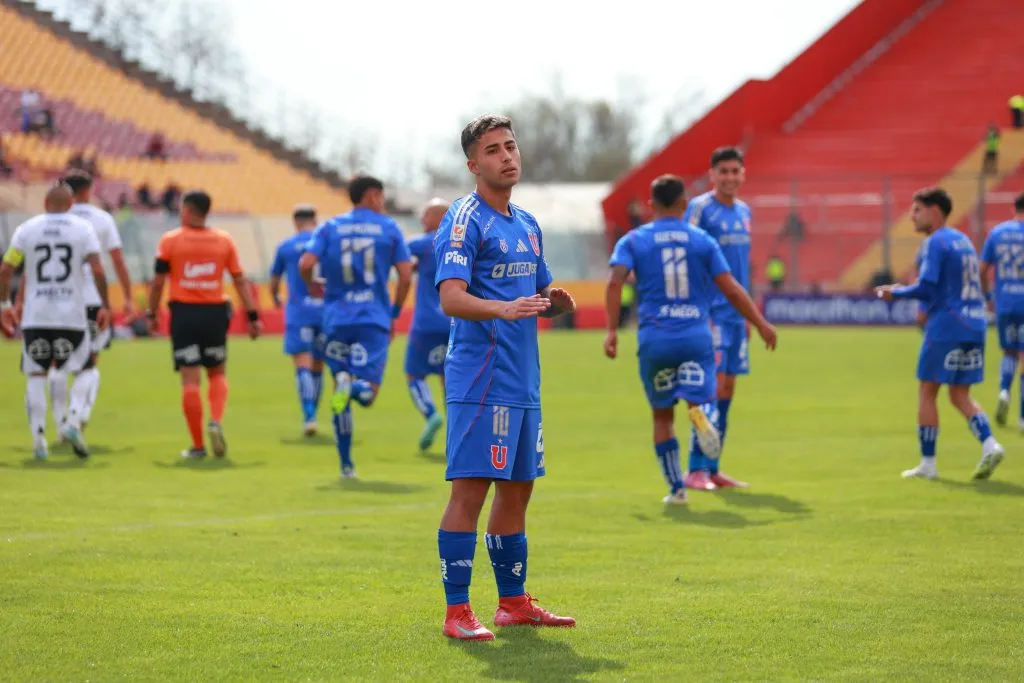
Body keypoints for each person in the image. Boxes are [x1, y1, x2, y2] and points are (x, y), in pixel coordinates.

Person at [433, 114, 577, 642]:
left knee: (518, 492)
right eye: (493, 150)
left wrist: (552, 305)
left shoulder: (527, 224)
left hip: (523, 381)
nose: (506, 156)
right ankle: (456, 612)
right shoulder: (464, 219)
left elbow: (531, 300)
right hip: (481, 380)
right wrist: (504, 308)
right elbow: (450, 297)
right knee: (471, 491)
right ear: (474, 164)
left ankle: (513, 603)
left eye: (511, 146)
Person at [604, 175, 777, 504]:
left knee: (662, 417)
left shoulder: (634, 240)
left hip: (656, 338)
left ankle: (676, 489)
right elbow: (731, 288)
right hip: (696, 337)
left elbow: (615, 283)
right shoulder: (702, 241)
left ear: (651, 205)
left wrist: (612, 330)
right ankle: (700, 414)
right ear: (685, 204)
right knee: (705, 396)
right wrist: (760, 322)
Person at [876, 187, 1004, 481]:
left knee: (928, 390)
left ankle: (928, 464)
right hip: (975, 323)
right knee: (960, 394)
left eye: (917, 209)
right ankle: (990, 444)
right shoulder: (964, 241)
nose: (911, 215)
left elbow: (927, 287)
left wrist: (894, 293)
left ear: (935, 211)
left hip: (947, 324)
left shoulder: (935, 242)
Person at [299, 175, 413, 478]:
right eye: (382, 196)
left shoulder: (330, 227)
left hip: (336, 319)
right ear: (372, 195)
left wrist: (314, 287)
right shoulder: (388, 228)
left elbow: (306, 265)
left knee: (341, 389)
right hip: (372, 318)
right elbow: (404, 276)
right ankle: (357, 386)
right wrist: (395, 311)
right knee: (367, 393)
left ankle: (346, 463)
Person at [145, 191, 262, 459]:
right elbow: (239, 279)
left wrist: (151, 314)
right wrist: (253, 317)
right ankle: (216, 421)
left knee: (190, 379)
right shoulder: (224, 240)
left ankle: (198, 446)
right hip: (215, 314)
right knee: (217, 372)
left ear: (187, 210)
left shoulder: (170, 241)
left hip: (184, 314)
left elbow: (159, 281)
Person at [0, 183, 110, 460]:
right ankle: (73, 420)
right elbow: (97, 268)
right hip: (71, 315)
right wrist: (105, 304)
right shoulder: (82, 229)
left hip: (36, 316)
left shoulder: (27, 229)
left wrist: (6, 305)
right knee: (86, 368)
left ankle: (38, 440)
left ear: (45, 202)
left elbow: (6, 268)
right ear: (70, 204)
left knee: (36, 373)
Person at [38, 170, 133, 439]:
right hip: (92, 299)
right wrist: (125, 297)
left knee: (57, 362)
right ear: (87, 191)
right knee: (89, 363)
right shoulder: (102, 219)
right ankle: (78, 417)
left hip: (55, 298)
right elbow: (117, 261)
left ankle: (59, 425)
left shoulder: (49, 221)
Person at [683, 146, 754, 490]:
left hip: (735, 317)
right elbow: (685, 253)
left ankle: (712, 467)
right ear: (712, 175)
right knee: (708, 390)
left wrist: (749, 316)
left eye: (734, 171)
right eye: (722, 171)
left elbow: (743, 269)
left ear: (743, 174)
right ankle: (695, 468)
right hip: (708, 313)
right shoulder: (699, 210)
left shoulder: (744, 212)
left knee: (728, 390)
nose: (729, 177)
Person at [269, 204, 325, 436]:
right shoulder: (326, 242)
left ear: (295, 222)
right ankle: (318, 412)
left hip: (299, 310)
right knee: (319, 363)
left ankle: (309, 415)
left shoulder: (286, 246)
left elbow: (274, 280)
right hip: (326, 310)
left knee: (302, 362)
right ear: (315, 219)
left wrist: (275, 297)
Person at [404, 198, 451, 451]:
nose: (422, 220)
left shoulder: (423, 243)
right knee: (449, 378)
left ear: (440, 218)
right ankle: (454, 436)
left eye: (426, 215)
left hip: (426, 322)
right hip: (456, 320)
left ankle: (431, 413)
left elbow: (398, 249)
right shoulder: (460, 243)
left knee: (414, 374)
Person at [980, 191, 1024, 428]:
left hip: (1005, 301)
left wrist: (989, 296)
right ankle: (1022, 417)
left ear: (1013, 208)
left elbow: (982, 268)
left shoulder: (997, 233)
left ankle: (1004, 390)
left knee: (1009, 352)